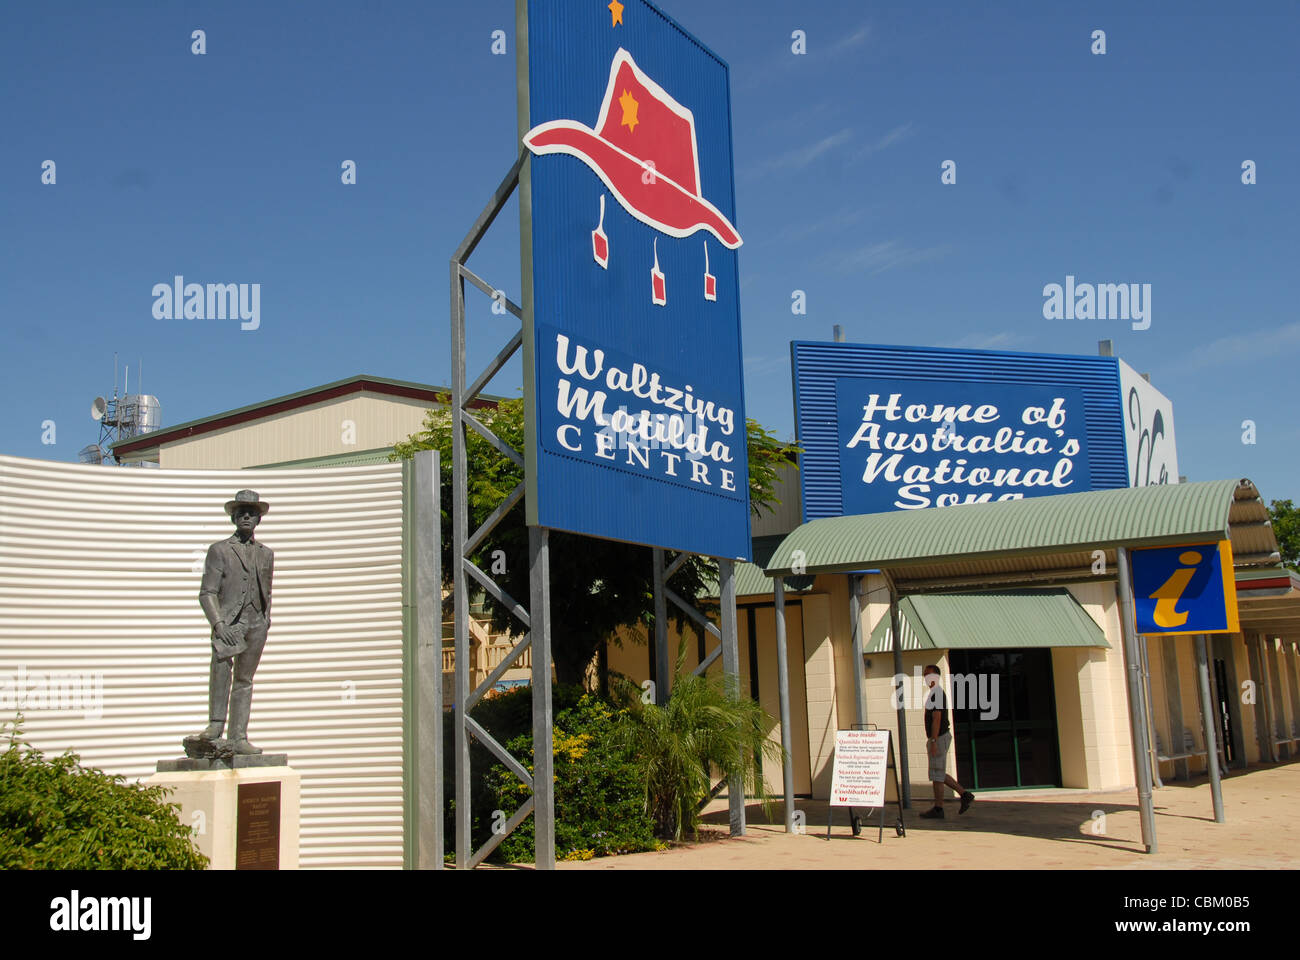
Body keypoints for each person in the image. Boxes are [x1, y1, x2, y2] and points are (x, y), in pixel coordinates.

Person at [192, 490, 274, 755]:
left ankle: (238, 736)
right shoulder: (219, 550)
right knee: (221, 673)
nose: (247, 517)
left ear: (258, 520)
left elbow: (268, 591)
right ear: (234, 518)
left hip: (256, 625)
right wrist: (219, 625)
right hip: (229, 623)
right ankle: (215, 725)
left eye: (252, 514)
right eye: (242, 513)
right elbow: (207, 592)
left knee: (245, 679)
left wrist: (265, 620)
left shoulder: (266, 554)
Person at [918, 664, 974, 819]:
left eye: (928, 674)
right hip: (939, 737)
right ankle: (964, 794)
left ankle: (939, 808)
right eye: (924, 675)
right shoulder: (934, 694)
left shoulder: (937, 694)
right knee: (938, 772)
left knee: (936, 774)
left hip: (939, 737)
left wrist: (934, 740)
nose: (926, 678)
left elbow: (937, 719)